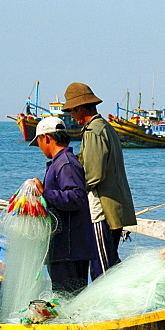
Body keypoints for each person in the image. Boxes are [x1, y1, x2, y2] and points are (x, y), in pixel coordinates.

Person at [62, 82, 137, 279]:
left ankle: (108, 307)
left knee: (102, 269)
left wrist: (72, 192)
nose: (71, 116)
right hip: (114, 205)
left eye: (72, 111)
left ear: (80, 108)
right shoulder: (105, 127)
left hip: (102, 207)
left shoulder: (93, 131)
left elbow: (94, 174)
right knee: (109, 261)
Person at [28, 116, 94, 294]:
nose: (40, 148)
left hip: (70, 249)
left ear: (47, 138)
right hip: (65, 248)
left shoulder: (65, 164)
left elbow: (76, 197)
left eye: (40, 142)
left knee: (68, 298)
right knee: (66, 297)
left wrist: (44, 193)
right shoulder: (60, 163)